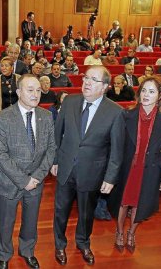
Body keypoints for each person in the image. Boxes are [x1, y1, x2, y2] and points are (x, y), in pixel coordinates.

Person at [51, 65, 125, 266]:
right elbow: (57, 135)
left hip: (92, 171)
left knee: (86, 213)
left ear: (105, 87)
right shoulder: (70, 102)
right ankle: (59, 244)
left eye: (93, 80)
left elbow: (117, 150)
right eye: (85, 78)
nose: (87, 82)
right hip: (66, 167)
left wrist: (110, 178)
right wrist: (55, 160)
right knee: (61, 210)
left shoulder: (116, 112)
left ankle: (83, 242)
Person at [0, 74, 56, 269]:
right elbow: (0, 154)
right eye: (30, 90)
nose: (35, 94)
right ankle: (4, 254)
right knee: (5, 222)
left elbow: (51, 149)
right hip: (9, 181)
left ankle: (27, 250)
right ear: (19, 92)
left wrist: (36, 177)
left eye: (38, 90)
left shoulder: (46, 116)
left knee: (31, 221)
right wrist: (23, 180)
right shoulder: (3, 117)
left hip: (36, 182)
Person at [108, 76, 161, 253]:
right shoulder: (126, 114)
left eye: (151, 91)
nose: (146, 94)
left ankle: (131, 232)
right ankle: (120, 232)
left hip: (150, 168)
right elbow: (117, 146)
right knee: (123, 201)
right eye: (144, 90)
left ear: (159, 95)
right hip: (127, 167)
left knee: (140, 203)